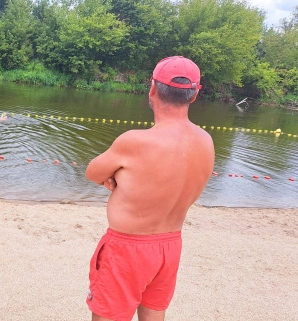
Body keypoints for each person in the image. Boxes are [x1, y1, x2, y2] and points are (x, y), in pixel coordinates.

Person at [84, 56, 215, 321]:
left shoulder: (134, 142)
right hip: (169, 247)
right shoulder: (206, 142)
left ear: (152, 88)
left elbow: (92, 173)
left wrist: (114, 178)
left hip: (127, 248)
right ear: (193, 96)